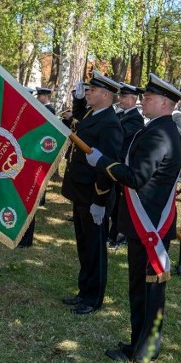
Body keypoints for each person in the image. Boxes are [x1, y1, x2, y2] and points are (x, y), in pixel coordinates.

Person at [85, 73, 181, 363]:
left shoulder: (160, 133)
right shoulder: (159, 128)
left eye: (150, 98)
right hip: (147, 222)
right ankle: (140, 342)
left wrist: (102, 162)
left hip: (149, 224)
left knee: (147, 290)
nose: (144, 101)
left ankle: (143, 350)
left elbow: (137, 177)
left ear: (165, 102)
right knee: (143, 289)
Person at [60, 70, 123, 315]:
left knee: (95, 250)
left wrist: (100, 200)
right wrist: (78, 100)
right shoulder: (92, 113)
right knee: (84, 246)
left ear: (106, 95)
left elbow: (107, 168)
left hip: (93, 196)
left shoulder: (110, 124)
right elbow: (78, 120)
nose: (88, 93)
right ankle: (83, 290)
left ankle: (93, 298)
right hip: (80, 192)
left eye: (92, 90)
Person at [107, 83, 146, 250]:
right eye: (120, 96)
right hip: (115, 163)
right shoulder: (122, 115)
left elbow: (119, 135)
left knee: (121, 204)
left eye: (124, 96)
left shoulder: (135, 118)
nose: (120, 99)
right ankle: (112, 234)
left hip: (124, 165)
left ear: (133, 99)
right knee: (114, 203)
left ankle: (119, 236)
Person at [18, 87, 57, 249]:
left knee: (29, 197)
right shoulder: (34, 111)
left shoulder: (46, 112)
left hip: (35, 156)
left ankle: (25, 239)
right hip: (25, 156)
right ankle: (21, 234)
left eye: (41, 95)